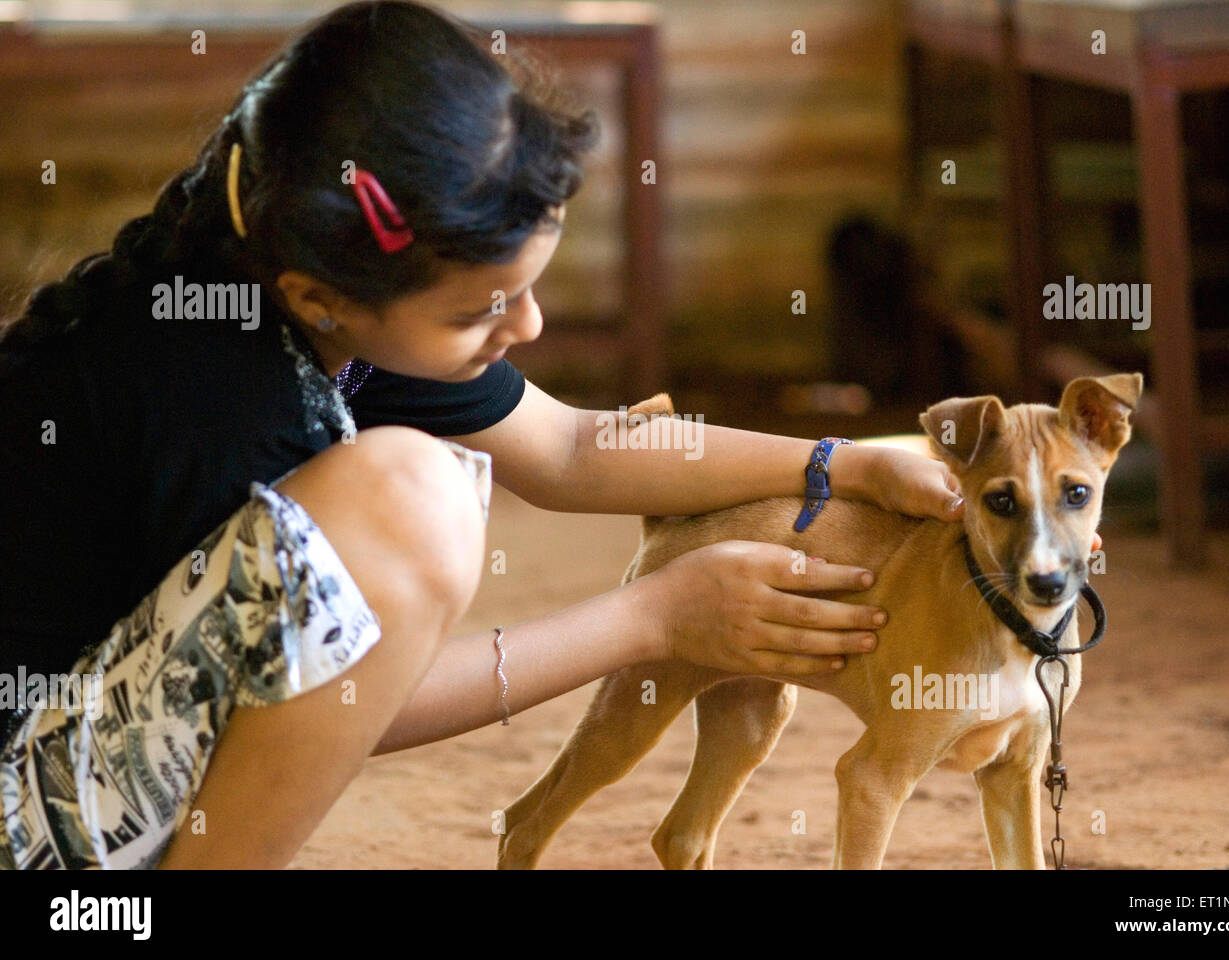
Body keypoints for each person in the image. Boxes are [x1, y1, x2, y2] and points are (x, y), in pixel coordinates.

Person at [0, 1, 966, 870]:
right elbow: (336, 700)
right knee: (409, 500)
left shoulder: (318, 302)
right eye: (482, 312)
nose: (531, 327)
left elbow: (574, 449)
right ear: (319, 298)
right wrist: (653, 618)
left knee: (421, 483)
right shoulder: (211, 390)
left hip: (82, 754)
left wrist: (840, 462)